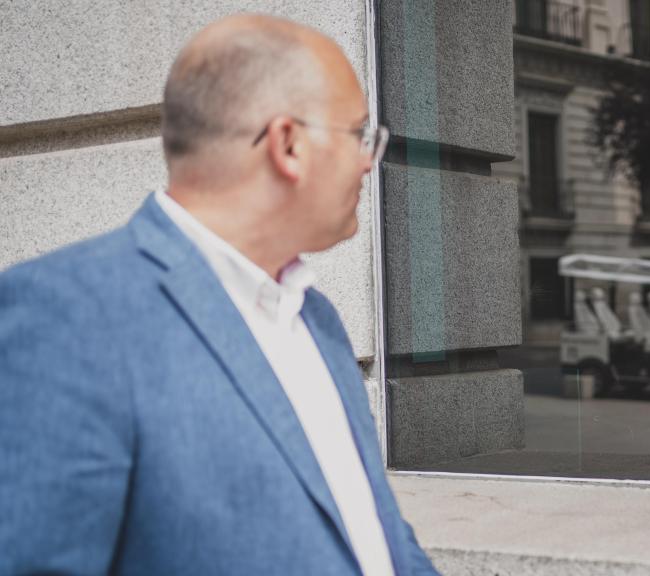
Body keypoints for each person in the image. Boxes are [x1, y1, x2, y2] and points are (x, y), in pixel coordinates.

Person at [0, 14, 437, 575]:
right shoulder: (67, 319)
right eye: (358, 135)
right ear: (288, 144)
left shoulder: (316, 316)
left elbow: (375, 533)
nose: (366, 161)